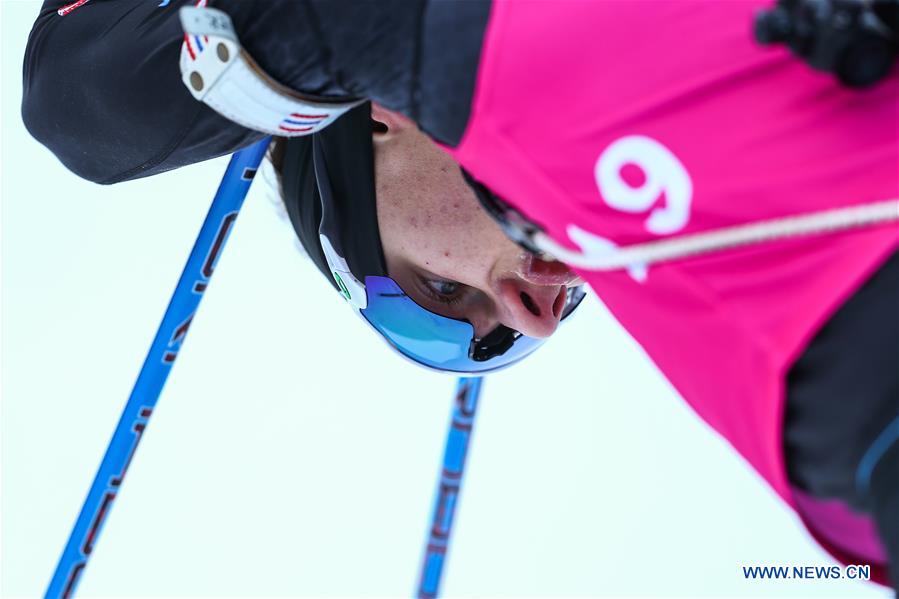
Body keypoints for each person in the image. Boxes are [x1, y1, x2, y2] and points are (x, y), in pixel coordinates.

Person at [22, 0, 898, 591]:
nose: (532, 311)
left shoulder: (420, 38)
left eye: (439, 290)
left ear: (372, 119)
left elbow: (83, 99)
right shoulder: (705, 207)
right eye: (558, 311)